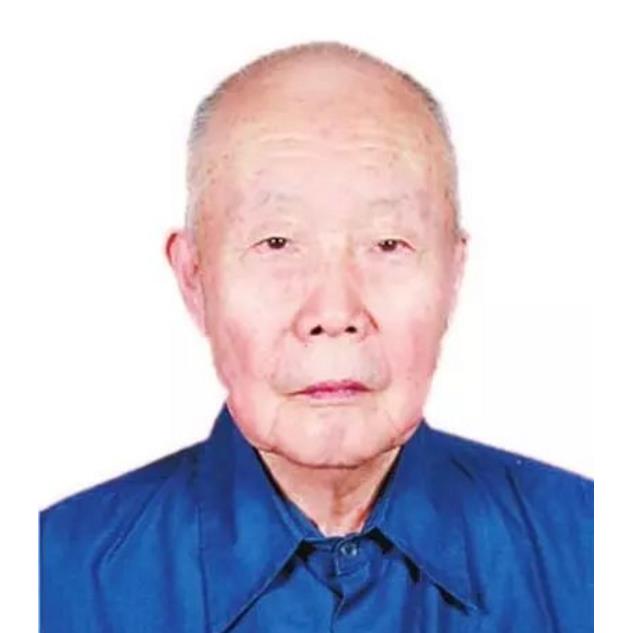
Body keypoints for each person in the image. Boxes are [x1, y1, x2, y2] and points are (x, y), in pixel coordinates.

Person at [40, 41, 593, 632]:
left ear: (453, 275)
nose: (334, 313)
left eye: (388, 244)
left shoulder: (591, 551)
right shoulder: (52, 576)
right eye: (277, 243)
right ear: (194, 278)